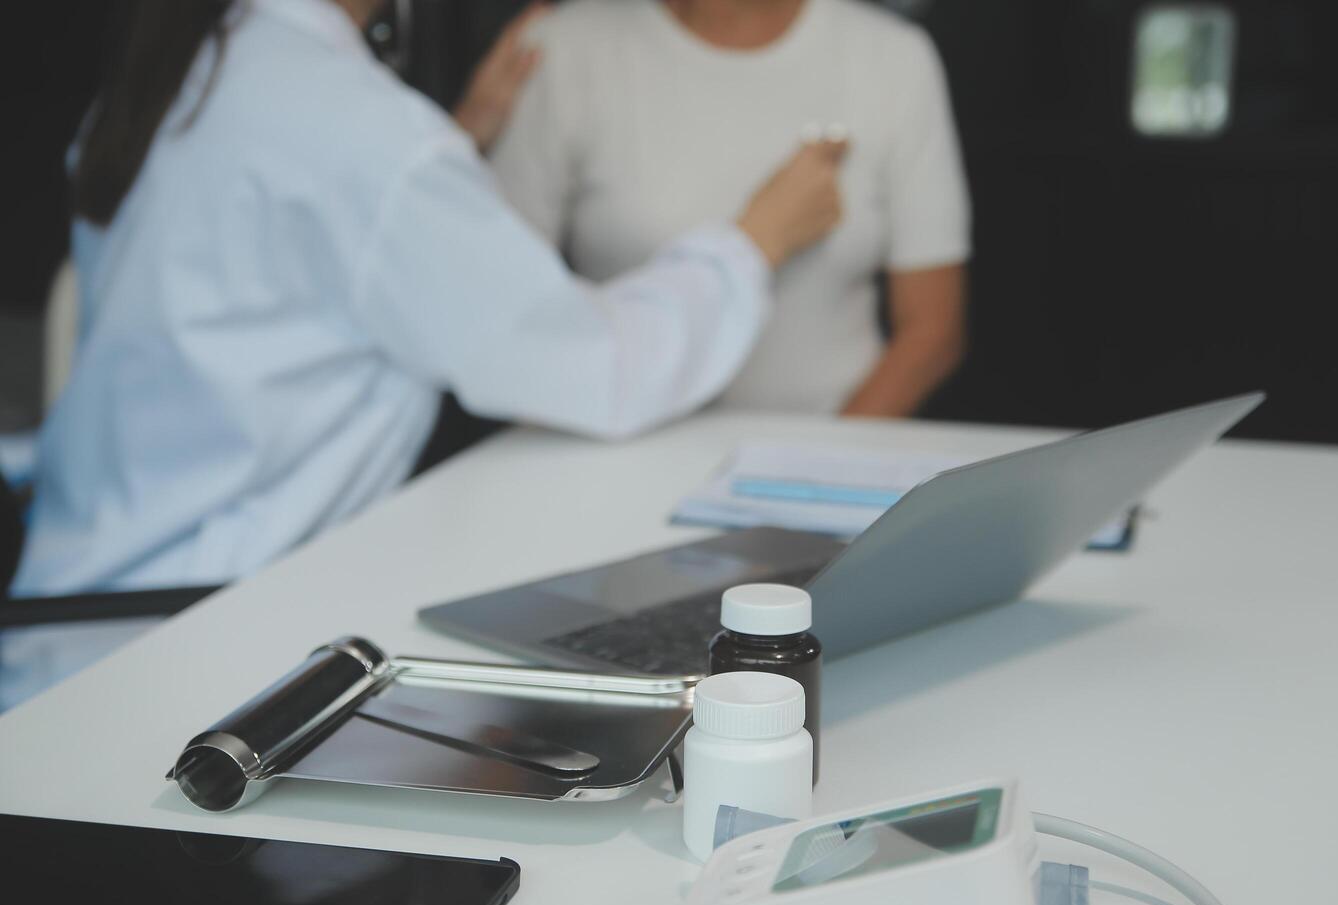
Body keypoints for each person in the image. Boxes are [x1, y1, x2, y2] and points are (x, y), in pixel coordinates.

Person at [11, 0, 846, 596]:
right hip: (186, 629)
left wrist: (450, 138)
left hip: (76, 595)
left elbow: (292, 245)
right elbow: (602, 369)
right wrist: (753, 241)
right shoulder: (366, 138)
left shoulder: (194, 69)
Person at [491, 0, 971, 416]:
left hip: (830, 451)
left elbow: (933, 330)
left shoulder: (892, 57)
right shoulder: (565, 49)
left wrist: (823, 467)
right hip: (616, 447)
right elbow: (498, 311)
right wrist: (761, 235)